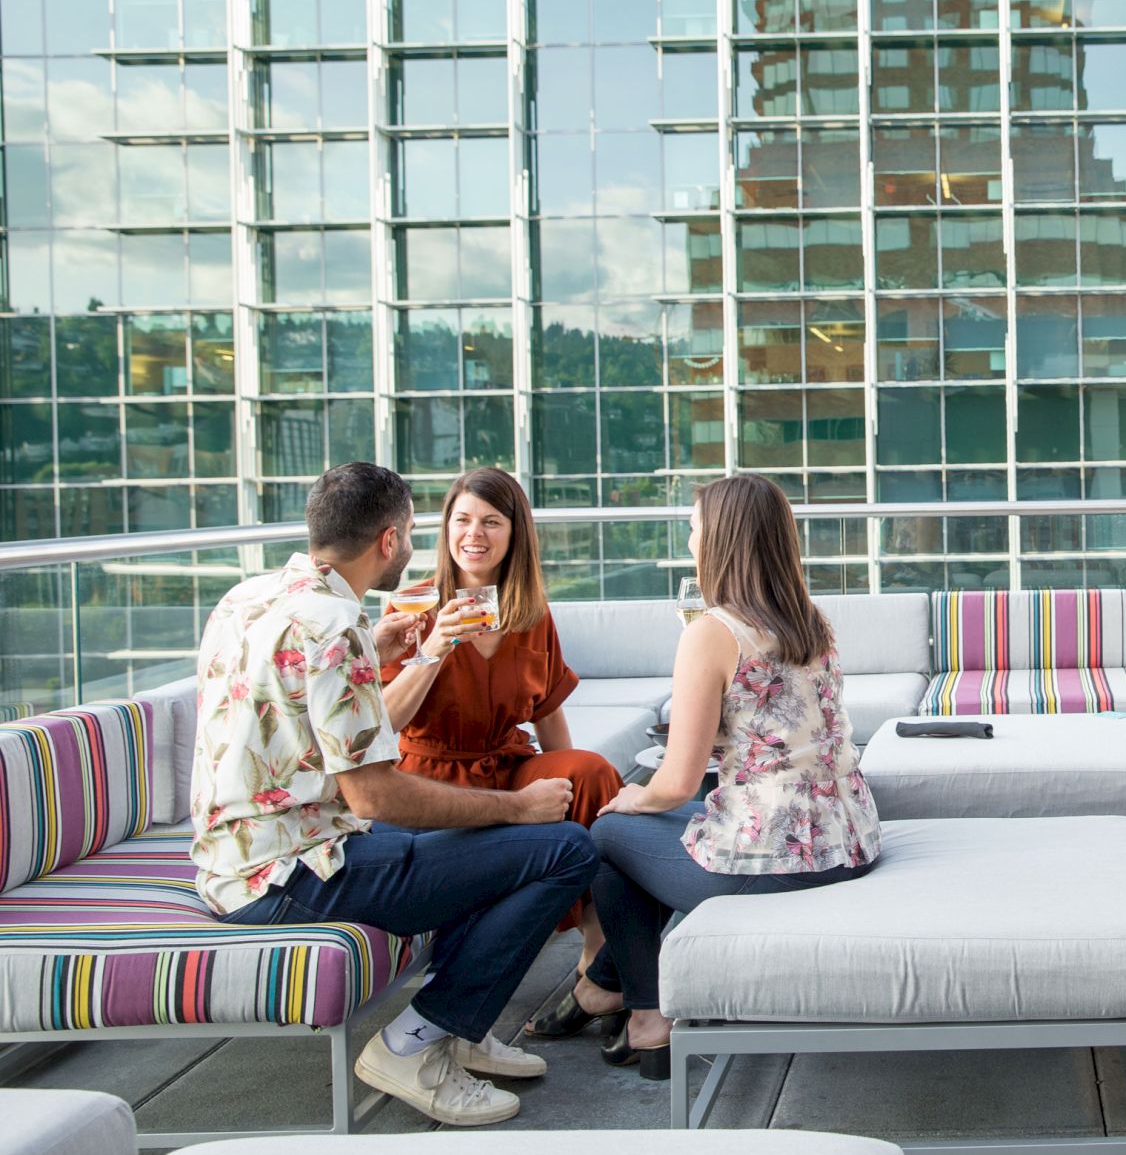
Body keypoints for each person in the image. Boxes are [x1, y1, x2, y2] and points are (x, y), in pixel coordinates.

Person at [188, 462, 597, 1128]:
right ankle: (414, 1041)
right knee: (563, 848)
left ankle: (458, 1028)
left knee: (482, 844)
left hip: (249, 855)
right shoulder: (332, 629)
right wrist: (515, 806)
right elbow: (374, 795)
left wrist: (374, 651)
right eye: (411, 530)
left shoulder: (251, 596)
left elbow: (302, 722)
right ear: (389, 540)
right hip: (293, 873)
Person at [542, 474, 880, 1079]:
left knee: (607, 832)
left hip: (780, 864)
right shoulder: (811, 620)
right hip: (849, 842)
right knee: (651, 826)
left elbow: (676, 780)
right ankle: (605, 987)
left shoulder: (712, 633)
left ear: (721, 540)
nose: (691, 541)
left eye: (695, 530)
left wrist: (633, 796)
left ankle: (645, 1014)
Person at [380, 467, 624, 996]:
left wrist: (578, 790)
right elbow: (384, 723)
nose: (475, 534)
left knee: (591, 772)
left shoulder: (530, 613)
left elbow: (549, 711)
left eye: (492, 521)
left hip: (506, 764)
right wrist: (435, 646)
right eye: (462, 519)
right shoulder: (411, 608)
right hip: (432, 774)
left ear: (515, 534)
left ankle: (598, 958)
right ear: (445, 529)